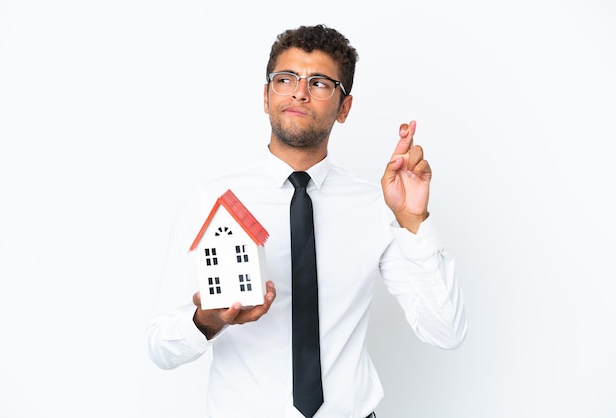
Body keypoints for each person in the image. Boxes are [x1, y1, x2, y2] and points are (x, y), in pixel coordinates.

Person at [146, 24, 467, 418]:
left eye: (319, 82)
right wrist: (205, 322)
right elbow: (160, 346)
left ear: (344, 107)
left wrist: (413, 221)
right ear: (266, 97)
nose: (299, 91)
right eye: (285, 79)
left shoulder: (377, 204)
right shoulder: (211, 202)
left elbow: (445, 331)